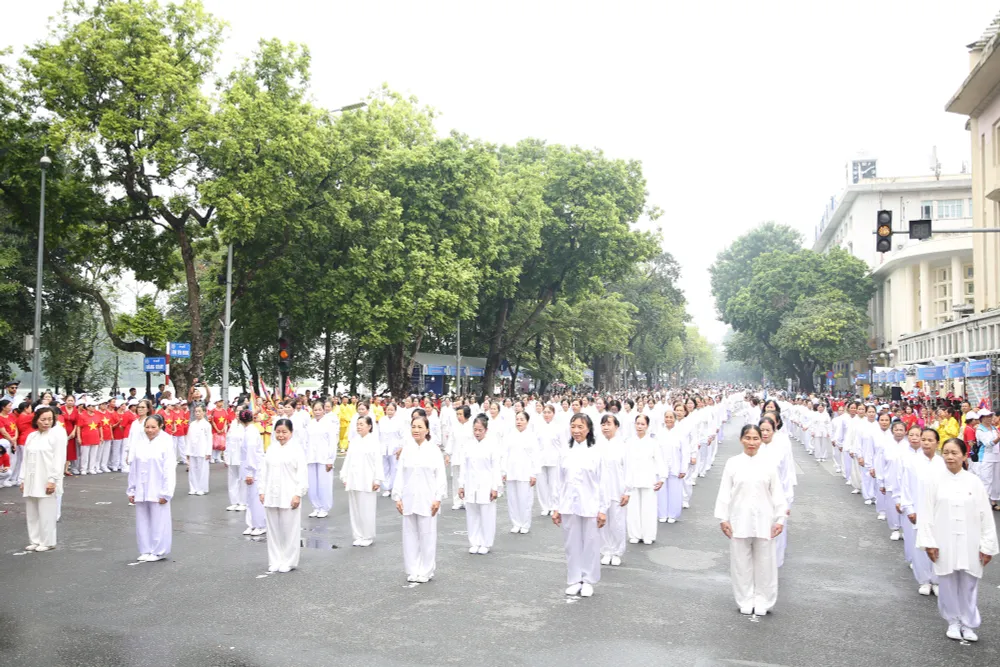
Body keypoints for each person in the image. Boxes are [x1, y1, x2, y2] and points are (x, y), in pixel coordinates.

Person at [917, 438, 999, 642]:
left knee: (969, 583)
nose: (950, 457)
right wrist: (929, 542)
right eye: (946, 452)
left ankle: (969, 623)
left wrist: (987, 546)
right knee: (947, 582)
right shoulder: (934, 480)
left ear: (964, 456)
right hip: (943, 539)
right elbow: (926, 513)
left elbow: (986, 516)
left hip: (971, 540)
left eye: (954, 453)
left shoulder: (974, 482)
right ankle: (953, 621)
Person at [714, 424, 787, 616]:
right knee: (740, 563)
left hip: (765, 520)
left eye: (756, 438)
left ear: (761, 440)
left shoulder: (769, 464)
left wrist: (780, 519)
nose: (752, 442)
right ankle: (745, 598)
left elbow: (777, 493)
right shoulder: (733, 463)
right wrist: (723, 518)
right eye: (748, 438)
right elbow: (724, 492)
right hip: (739, 519)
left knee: (766, 563)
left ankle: (764, 600)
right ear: (741, 440)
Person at [552, 413, 608, 597]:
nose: (576, 431)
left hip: (590, 505)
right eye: (573, 426)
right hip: (568, 504)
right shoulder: (564, 451)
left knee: (590, 543)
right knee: (572, 544)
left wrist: (603, 509)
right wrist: (556, 506)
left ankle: (589, 579)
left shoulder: (596, 452)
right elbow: (558, 481)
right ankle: (574, 579)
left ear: (589, 429)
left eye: (580, 427)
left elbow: (603, 483)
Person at [393, 415, 447, 584]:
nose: (416, 430)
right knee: (409, 535)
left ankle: (426, 569)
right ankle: (412, 569)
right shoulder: (406, 450)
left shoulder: (433, 450)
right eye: (413, 426)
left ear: (427, 430)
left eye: (419, 427)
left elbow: (440, 476)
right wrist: (398, 496)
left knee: (427, 535)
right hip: (409, 497)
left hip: (427, 498)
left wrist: (438, 498)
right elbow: (400, 475)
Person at [260, 418, 308, 573]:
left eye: (284, 432)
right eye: (278, 432)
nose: (281, 435)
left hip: (289, 494)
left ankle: (289, 560)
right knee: (273, 529)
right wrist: (262, 491)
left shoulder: (296, 450)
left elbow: (302, 474)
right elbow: (263, 472)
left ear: (291, 433)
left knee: (289, 529)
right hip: (271, 494)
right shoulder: (271, 449)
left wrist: (298, 494)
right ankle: (274, 560)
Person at [126, 414, 176, 562]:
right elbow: (134, 466)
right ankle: (145, 549)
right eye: (147, 427)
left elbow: (168, 468)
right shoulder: (139, 441)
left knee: (159, 520)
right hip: (141, 486)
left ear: (160, 426)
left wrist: (166, 492)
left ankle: (158, 550)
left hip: (158, 487)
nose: (149, 430)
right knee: (142, 520)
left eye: (153, 427)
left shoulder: (166, 441)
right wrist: (132, 489)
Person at [20, 407, 67, 552]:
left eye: (50, 419)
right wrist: (22, 478)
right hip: (31, 478)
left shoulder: (56, 436)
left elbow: (59, 459)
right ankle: (35, 539)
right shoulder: (32, 436)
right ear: (36, 420)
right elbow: (25, 459)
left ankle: (47, 541)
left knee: (46, 512)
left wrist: (53, 479)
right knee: (32, 511)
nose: (47, 422)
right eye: (43, 419)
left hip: (47, 478)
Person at [459, 414, 502, 555]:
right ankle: (474, 541)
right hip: (470, 483)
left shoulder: (492, 445)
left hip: (486, 483)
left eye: (480, 430)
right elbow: (463, 466)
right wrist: (461, 485)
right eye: (475, 430)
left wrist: (495, 487)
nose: (477, 433)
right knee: (472, 513)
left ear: (486, 430)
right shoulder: (468, 445)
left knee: (486, 514)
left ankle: (486, 542)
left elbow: (496, 468)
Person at [341, 415, 383, 546]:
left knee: (366, 507)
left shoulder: (374, 442)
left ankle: (367, 535)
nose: (359, 427)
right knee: (355, 508)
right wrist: (345, 476)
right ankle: (358, 534)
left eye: (362, 424)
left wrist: (377, 480)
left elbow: (378, 462)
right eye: (358, 424)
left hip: (367, 478)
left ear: (369, 426)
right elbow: (348, 460)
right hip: (354, 478)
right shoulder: (354, 441)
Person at [625, 414, 665, 545]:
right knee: (633, 509)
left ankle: (648, 534)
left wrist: (662, 477)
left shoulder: (653, 442)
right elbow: (624, 462)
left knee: (649, 508)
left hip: (649, 478)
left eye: (642, 424)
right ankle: (635, 534)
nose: (640, 426)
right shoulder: (629, 442)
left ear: (647, 426)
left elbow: (659, 460)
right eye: (638, 423)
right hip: (632, 479)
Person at [502, 411, 539, 535]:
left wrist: (534, 473)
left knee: (525, 499)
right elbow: (504, 453)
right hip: (511, 471)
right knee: (512, 499)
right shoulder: (510, 435)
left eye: (522, 419)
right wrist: (504, 470)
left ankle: (525, 523)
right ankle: (516, 523)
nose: (519, 422)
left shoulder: (532, 436)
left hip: (526, 472)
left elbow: (536, 456)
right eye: (517, 419)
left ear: (527, 422)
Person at [304, 401, 336, 519]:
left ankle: (324, 507)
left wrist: (330, 460)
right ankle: (316, 506)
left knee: (324, 483)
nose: (317, 412)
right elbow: (305, 442)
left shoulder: (329, 424)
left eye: (319, 409)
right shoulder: (310, 424)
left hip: (324, 457)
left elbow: (332, 443)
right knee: (312, 483)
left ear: (324, 410)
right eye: (315, 410)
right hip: (311, 457)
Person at [237, 410, 266, 537]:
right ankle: (252, 524)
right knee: (249, 498)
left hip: (254, 469)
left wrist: (249, 472)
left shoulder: (251, 432)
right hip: (249, 467)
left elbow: (251, 453)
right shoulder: (249, 431)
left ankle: (261, 524)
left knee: (256, 497)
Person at [656, 410, 686, 524]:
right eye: (666, 417)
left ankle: (672, 514)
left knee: (674, 491)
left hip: (675, 466)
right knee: (661, 491)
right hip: (661, 466)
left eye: (671, 417)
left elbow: (685, 452)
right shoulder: (659, 433)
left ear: (675, 419)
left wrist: (683, 469)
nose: (668, 419)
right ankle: (662, 514)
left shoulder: (680, 433)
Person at [535, 404, 563, 516]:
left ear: (553, 414)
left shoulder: (558, 427)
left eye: (549, 412)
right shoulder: (538, 427)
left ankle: (554, 505)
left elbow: (562, 445)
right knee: (541, 484)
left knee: (554, 484)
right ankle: (545, 506)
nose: (546, 415)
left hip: (554, 459)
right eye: (545, 412)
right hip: (541, 459)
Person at [224, 403, 248, 512]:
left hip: (242, 457)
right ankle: (234, 501)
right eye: (237, 411)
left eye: (240, 411)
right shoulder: (233, 424)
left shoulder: (247, 427)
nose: (238, 413)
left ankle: (243, 502)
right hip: (232, 456)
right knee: (232, 479)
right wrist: (226, 455)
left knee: (242, 479)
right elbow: (228, 440)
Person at [974, 409, 1000, 511]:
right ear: (981, 418)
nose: (989, 418)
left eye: (990, 416)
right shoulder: (980, 430)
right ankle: (983, 504)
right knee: (986, 481)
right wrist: (998, 439)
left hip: (996, 457)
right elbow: (988, 444)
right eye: (986, 416)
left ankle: (994, 502)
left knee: (996, 481)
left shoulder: (994, 428)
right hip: (986, 458)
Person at [185, 405, 212, 495]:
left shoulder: (207, 425)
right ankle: (193, 487)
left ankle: (202, 488)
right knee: (193, 469)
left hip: (202, 450)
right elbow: (188, 438)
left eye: (199, 411)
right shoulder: (192, 424)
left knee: (202, 470)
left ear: (204, 412)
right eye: (196, 411)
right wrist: (188, 451)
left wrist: (208, 452)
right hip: (193, 450)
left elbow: (209, 439)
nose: (197, 413)